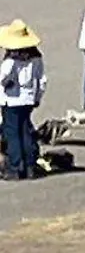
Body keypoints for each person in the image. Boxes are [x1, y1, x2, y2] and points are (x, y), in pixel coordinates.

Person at [0, 19, 46, 180]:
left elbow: (3, 78)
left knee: (12, 134)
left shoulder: (11, 61)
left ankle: (15, 167)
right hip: (28, 100)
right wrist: (37, 97)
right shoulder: (36, 59)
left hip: (11, 101)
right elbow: (42, 80)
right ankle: (30, 166)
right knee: (25, 131)